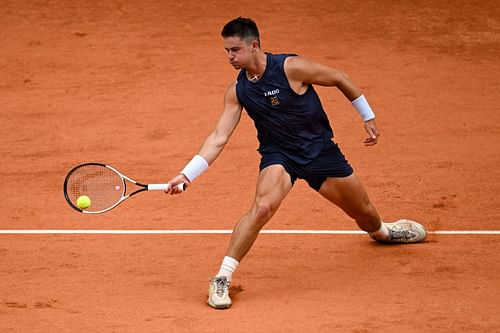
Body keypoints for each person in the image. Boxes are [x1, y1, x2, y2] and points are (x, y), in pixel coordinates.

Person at [165, 17, 427, 309]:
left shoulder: (291, 68)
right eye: (226, 51)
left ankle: (383, 232)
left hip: (320, 153)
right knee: (262, 207)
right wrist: (187, 174)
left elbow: (339, 76)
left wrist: (368, 117)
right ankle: (222, 277)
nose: (230, 57)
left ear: (254, 46)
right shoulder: (238, 91)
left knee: (364, 214)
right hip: (280, 156)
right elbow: (218, 137)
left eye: (235, 50)